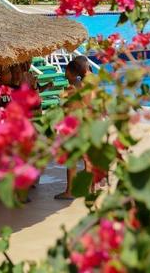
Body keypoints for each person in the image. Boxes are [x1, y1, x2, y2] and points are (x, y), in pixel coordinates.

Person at [54, 56, 89, 200]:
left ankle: (70, 191)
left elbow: (66, 110)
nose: (64, 72)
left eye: (66, 70)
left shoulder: (71, 88)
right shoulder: (84, 86)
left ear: (71, 72)